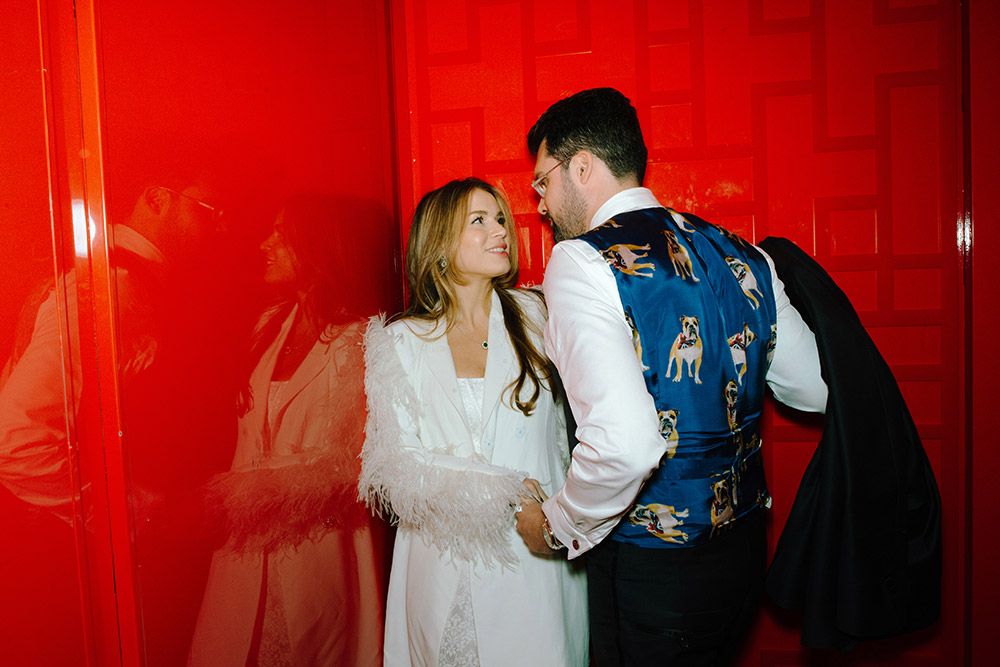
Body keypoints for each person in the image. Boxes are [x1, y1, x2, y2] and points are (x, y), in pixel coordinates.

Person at [514, 87, 829, 665]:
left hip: (655, 575)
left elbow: (627, 444)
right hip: (744, 556)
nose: (539, 204)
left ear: (581, 166)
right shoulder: (742, 254)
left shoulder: (580, 261)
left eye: (543, 181)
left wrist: (555, 526)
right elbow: (812, 388)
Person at [360, 177, 588, 666]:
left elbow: (574, 434)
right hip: (442, 566)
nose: (500, 230)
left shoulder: (538, 314)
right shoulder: (401, 341)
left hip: (533, 554)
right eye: (479, 221)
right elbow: (396, 466)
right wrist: (504, 486)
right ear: (440, 245)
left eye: (500, 218)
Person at [188, 194, 390, 667]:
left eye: (281, 234)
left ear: (319, 245)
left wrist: (224, 499)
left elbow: (344, 467)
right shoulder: (267, 324)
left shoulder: (358, 339)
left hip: (315, 552)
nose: (265, 244)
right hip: (243, 555)